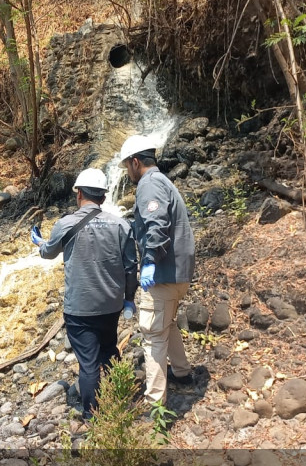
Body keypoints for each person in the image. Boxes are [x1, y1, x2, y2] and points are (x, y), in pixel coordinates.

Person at [31, 168, 138, 420]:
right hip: (111, 305)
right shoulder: (121, 224)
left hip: (80, 308)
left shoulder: (65, 223)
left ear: (78, 194)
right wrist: (129, 299)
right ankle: (118, 400)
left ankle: (93, 417)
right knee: (110, 349)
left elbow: (48, 252)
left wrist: (37, 241)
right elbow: (131, 266)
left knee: (88, 364)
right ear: (102, 197)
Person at [118, 134, 196, 406]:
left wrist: (149, 261)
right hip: (179, 273)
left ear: (135, 162)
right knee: (168, 323)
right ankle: (183, 373)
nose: (127, 173)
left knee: (152, 335)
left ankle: (155, 406)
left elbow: (157, 225)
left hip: (163, 273)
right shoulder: (164, 182)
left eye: (127, 166)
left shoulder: (148, 185)